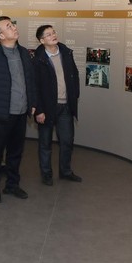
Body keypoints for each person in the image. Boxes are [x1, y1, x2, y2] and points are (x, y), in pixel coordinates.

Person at [0, 16, 37, 203]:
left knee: (16, 153)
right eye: (9, 26)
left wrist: (32, 103)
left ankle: (12, 185)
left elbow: (30, 81)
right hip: (0, 113)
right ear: (1, 35)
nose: (14, 28)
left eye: (13, 25)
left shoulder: (24, 53)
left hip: (21, 112)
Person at [33, 25, 82, 185]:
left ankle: (65, 171)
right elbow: (35, 87)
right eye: (48, 34)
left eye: (53, 32)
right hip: (47, 109)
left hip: (66, 106)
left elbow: (75, 75)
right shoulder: (38, 60)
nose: (53, 35)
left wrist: (74, 94)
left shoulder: (66, 53)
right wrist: (39, 110)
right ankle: (46, 174)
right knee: (45, 143)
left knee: (67, 141)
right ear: (42, 41)